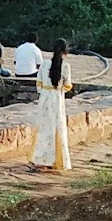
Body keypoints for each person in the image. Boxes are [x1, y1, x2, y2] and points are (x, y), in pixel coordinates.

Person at [29, 38, 74, 172]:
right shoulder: (66, 66)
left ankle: (41, 158)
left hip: (45, 97)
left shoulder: (44, 64)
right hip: (57, 98)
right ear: (65, 51)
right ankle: (56, 159)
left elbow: (39, 83)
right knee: (57, 128)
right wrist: (59, 90)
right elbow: (68, 85)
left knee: (43, 128)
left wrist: (44, 92)